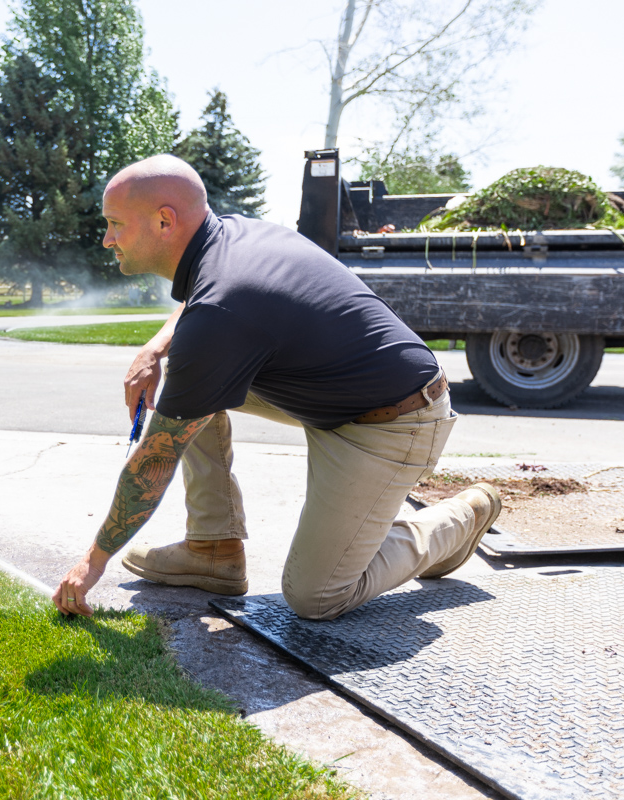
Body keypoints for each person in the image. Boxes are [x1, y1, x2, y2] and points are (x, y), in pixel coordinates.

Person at [52, 155, 501, 621]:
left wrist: (92, 562)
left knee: (316, 596)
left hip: (395, 420)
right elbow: (201, 300)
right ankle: (213, 551)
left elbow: (155, 461)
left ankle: (459, 518)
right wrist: (155, 348)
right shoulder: (228, 237)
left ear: (165, 220)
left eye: (114, 224)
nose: (107, 239)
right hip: (333, 393)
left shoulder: (222, 307)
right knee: (190, 395)